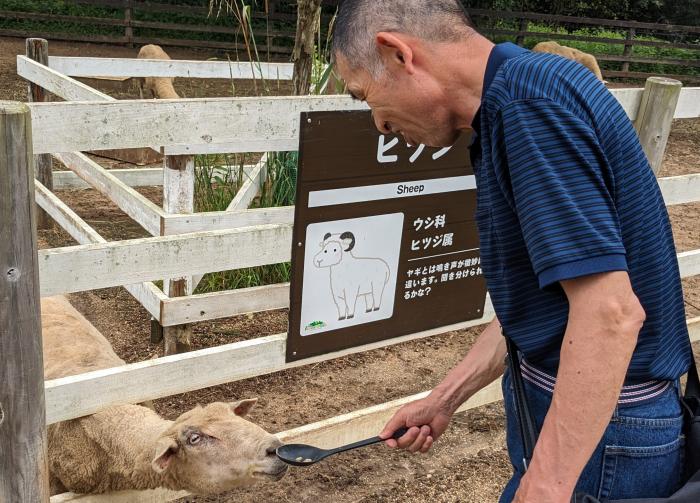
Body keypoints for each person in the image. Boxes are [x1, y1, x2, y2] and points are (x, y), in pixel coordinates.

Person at [331, 1, 692, 502]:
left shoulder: (527, 112)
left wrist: (547, 483)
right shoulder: (531, 89)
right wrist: (445, 399)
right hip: (591, 421)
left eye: (365, 96)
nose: (379, 125)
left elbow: (609, 314)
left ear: (397, 54)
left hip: (603, 437)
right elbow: (553, 301)